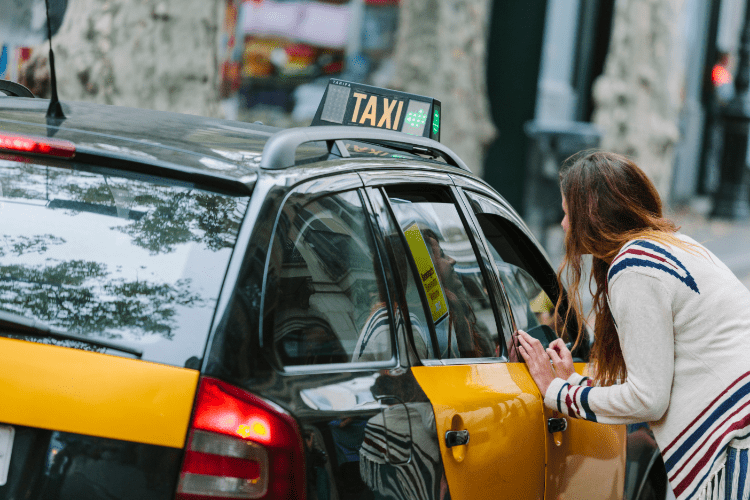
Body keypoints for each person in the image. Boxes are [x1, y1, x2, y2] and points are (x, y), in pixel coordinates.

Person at [516, 151, 750, 500]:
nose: (564, 224)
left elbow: (648, 398)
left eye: (568, 213)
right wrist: (578, 382)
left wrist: (558, 392)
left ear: (590, 215)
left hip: (734, 440)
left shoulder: (635, 268)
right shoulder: (665, 246)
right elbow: (656, 372)